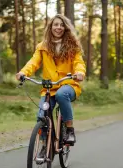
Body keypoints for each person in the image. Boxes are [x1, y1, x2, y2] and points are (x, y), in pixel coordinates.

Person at [16, 14, 86, 146]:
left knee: (61, 94)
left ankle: (70, 130)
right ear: (51, 27)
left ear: (65, 28)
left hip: (68, 85)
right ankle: (44, 146)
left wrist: (80, 73)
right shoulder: (42, 46)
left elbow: (79, 63)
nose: (58, 27)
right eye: (56, 25)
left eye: (61, 25)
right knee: (41, 115)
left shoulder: (73, 46)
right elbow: (34, 62)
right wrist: (23, 72)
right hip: (49, 87)